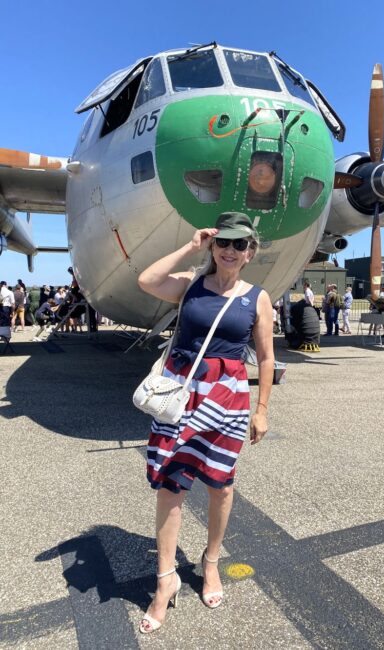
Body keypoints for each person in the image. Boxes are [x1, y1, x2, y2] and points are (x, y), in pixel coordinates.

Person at [137, 212, 274, 634]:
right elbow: (147, 280)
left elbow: (267, 357)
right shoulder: (191, 286)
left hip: (228, 396)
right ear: (214, 247)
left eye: (239, 245)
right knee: (170, 485)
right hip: (181, 393)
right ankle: (166, 580)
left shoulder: (258, 298)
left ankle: (210, 561)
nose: (230, 251)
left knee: (221, 485)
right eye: (223, 243)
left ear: (250, 252)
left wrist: (263, 408)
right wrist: (190, 246)